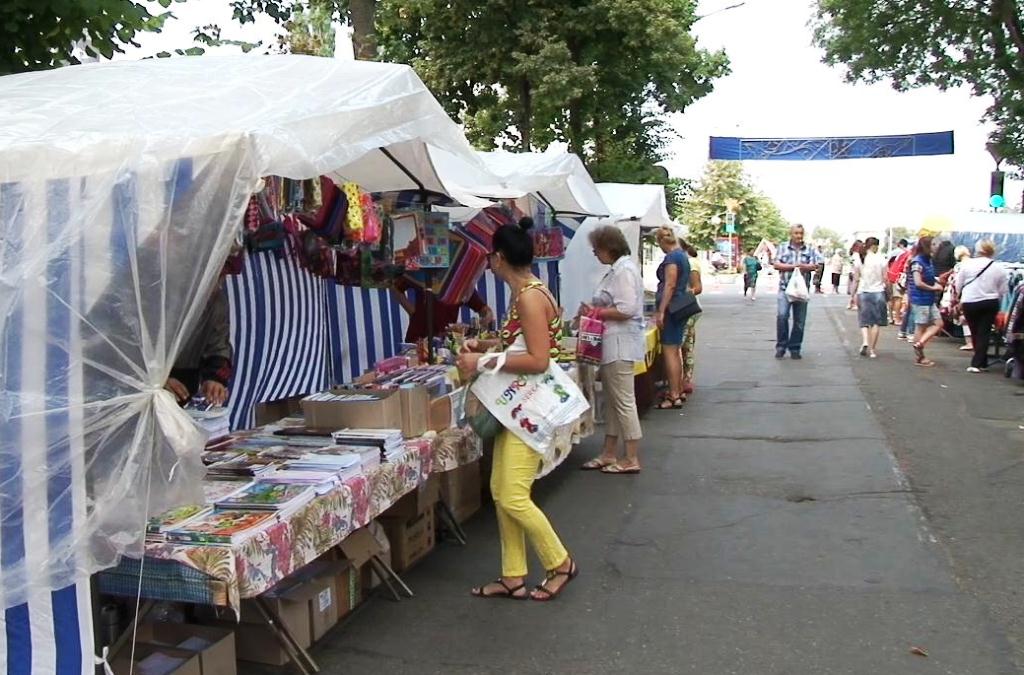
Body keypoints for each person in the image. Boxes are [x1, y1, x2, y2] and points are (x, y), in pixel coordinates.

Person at [457, 218, 577, 601]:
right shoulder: (527, 292)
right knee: (500, 489)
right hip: (517, 406)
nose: (489, 263)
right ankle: (513, 575)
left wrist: (482, 362)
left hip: (529, 407)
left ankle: (560, 563)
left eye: (490, 257)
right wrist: (485, 347)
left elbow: (538, 359)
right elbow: (520, 345)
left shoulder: (528, 297)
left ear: (499, 257)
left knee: (512, 495)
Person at [578, 226, 645, 474]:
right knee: (614, 401)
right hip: (613, 342)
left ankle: (631, 456)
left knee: (623, 401)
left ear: (608, 248)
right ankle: (609, 451)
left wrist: (597, 312)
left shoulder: (623, 272)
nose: (595, 254)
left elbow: (626, 308)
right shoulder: (619, 270)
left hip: (619, 343)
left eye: (597, 249)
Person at [166, 283, 233, 406]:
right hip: (141, 387)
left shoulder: (216, 301)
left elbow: (219, 346)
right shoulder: (155, 292)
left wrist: (214, 379)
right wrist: (158, 381)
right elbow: (130, 349)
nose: (217, 284)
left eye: (222, 278)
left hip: (185, 383)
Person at [654, 227, 699, 407]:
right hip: (680, 307)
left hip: (671, 308)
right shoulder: (682, 255)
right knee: (676, 351)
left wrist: (661, 310)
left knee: (670, 351)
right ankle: (678, 390)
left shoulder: (672, 258)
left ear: (661, 241)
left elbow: (670, 285)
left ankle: (673, 394)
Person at [956, 239, 1009, 372]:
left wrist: (960, 297)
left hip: (970, 301)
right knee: (984, 331)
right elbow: (1003, 290)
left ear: (977, 250)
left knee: (974, 331)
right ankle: (981, 362)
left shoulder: (967, 265)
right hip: (990, 302)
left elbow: (958, 284)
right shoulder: (999, 268)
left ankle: (978, 362)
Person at [774, 224, 823, 359]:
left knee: (799, 321)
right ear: (791, 234)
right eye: (796, 233)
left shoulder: (810, 249)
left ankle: (795, 347)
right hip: (785, 288)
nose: (798, 236)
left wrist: (803, 267)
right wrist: (792, 267)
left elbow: (815, 265)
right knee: (782, 316)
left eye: (801, 233)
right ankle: (781, 346)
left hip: (802, 290)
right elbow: (776, 264)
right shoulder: (783, 247)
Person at [391, 278, 493, 342]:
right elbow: (395, 287)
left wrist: (486, 319)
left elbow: (484, 310)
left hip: (444, 343)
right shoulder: (422, 273)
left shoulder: (461, 282)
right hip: (418, 339)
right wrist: (412, 312)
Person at [908, 236, 946, 367]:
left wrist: (936, 282)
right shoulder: (918, 262)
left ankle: (920, 344)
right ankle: (920, 356)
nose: (936, 247)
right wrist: (934, 287)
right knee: (921, 326)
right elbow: (918, 282)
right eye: (933, 244)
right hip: (920, 299)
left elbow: (925, 279)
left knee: (938, 323)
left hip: (927, 299)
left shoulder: (927, 260)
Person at [854, 237, 889, 358]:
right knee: (876, 323)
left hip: (863, 291)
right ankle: (872, 350)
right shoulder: (881, 259)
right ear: (876, 246)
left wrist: (853, 294)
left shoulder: (860, 258)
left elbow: (856, 279)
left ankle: (865, 341)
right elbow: (886, 278)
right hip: (878, 292)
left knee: (864, 320)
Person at [681, 242, 704, 395]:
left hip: (686, 308)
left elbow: (697, 287)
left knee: (681, 345)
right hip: (689, 307)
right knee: (687, 345)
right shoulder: (690, 262)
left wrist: (679, 299)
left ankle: (683, 381)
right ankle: (686, 379)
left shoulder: (690, 264)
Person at [946, 246, 974, 352]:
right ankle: (976, 341)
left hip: (964, 293)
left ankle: (969, 342)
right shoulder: (975, 263)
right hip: (976, 293)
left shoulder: (959, 266)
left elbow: (955, 283)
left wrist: (954, 297)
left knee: (964, 318)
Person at [888, 239, 911, 325]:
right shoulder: (908, 254)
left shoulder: (900, 253)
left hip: (891, 274)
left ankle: (891, 318)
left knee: (892, 298)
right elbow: (905, 267)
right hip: (898, 277)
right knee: (898, 298)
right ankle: (897, 319)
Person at [846, 240, 864, 310]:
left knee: (853, 289)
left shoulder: (852, 254)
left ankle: (851, 302)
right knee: (857, 289)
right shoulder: (857, 255)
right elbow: (858, 265)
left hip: (851, 272)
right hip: (856, 272)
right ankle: (855, 303)